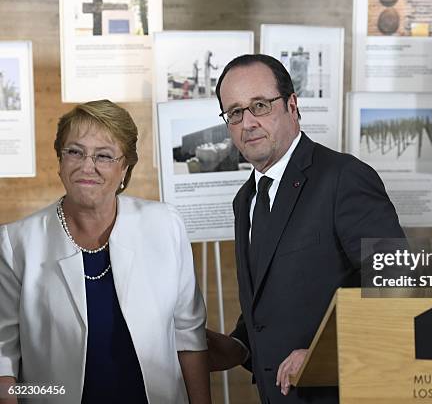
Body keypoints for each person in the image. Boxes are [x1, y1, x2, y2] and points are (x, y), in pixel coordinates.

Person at [206, 54, 405, 403]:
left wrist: (321, 352)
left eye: (260, 105)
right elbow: (270, 302)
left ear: (292, 105)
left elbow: (398, 286)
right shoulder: (245, 199)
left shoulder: (343, 178)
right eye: (235, 112)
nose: (247, 122)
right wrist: (237, 345)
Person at [0, 100, 211, 404]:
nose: (87, 166)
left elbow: (189, 336)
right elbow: (4, 357)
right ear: (60, 161)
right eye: (75, 151)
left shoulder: (165, 225)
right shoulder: (17, 242)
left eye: (104, 156)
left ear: (125, 168)